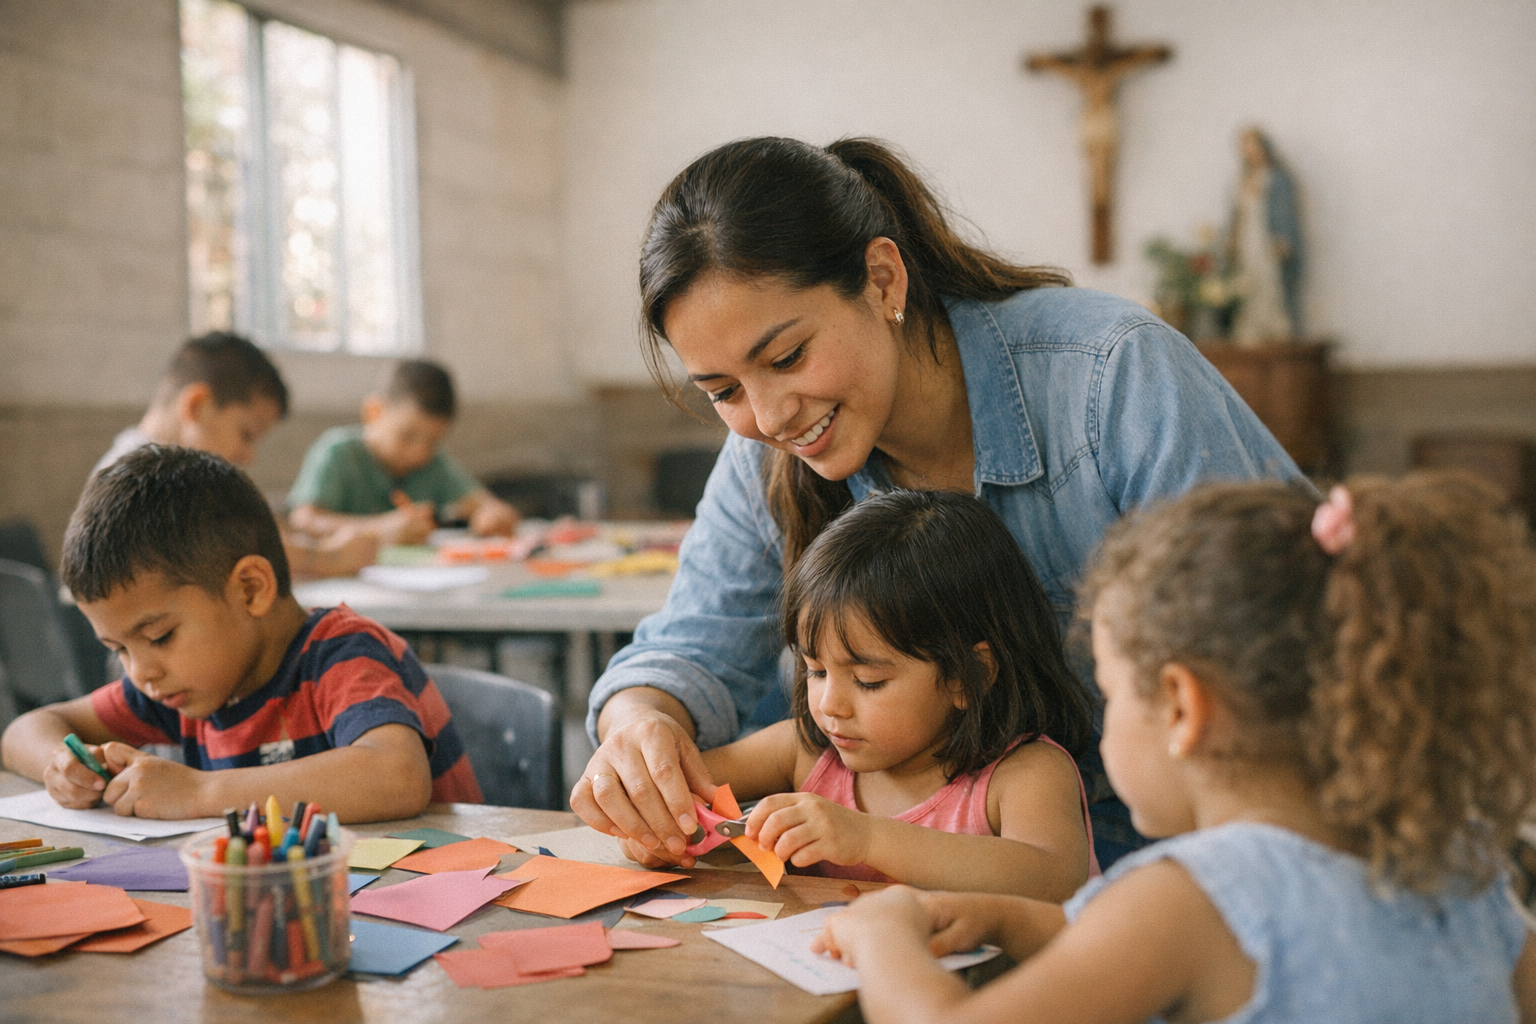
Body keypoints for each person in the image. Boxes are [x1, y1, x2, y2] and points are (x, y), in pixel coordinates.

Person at [572, 135, 1307, 870]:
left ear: (884, 280)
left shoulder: (1110, 376)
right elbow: (691, 646)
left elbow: (1287, 662)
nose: (767, 419)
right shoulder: (770, 451)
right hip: (926, 888)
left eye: (787, 357)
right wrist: (640, 724)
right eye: (724, 392)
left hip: (1178, 857)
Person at [813, 472, 1536, 1024]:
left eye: (1113, 692)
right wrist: (1003, 917)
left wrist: (884, 939)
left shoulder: (1191, 898)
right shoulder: (1459, 858)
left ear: (1184, 707)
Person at [620, 491, 1099, 899]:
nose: (830, 705)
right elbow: (682, 786)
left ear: (967, 675)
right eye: (814, 670)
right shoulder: (806, 750)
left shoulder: (1024, 775)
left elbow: (1054, 878)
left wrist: (866, 839)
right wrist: (662, 825)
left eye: (868, 681)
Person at [1, 445, 483, 820]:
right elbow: (24, 731)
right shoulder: (181, 686)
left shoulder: (341, 652)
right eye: (118, 650)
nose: (140, 671)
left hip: (440, 903)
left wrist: (200, 792)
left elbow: (397, 776)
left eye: (161, 636)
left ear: (251, 589)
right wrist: (63, 766)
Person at [95, 330, 378, 579]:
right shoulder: (136, 476)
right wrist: (329, 557)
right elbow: (226, 548)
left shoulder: (175, 473)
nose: (248, 456)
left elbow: (248, 525)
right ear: (197, 406)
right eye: (246, 434)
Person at [287, 359, 518, 545]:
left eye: (433, 441)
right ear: (374, 412)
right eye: (406, 435)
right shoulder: (338, 452)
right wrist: (378, 530)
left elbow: (486, 505)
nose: (419, 453)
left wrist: (494, 516)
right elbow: (303, 520)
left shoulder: (433, 464)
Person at [1228, 127, 1302, 344]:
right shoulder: (1242, 179)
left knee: (1270, 282)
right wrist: (1232, 238)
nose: (1249, 151)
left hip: (1266, 237)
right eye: (1245, 147)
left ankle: (1275, 327)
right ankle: (1251, 329)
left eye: (1253, 145)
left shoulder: (1276, 177)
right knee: (1247, 283)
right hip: (1247, 239)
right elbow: (1237, 213)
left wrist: (1283, 237)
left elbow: (1283, 210)